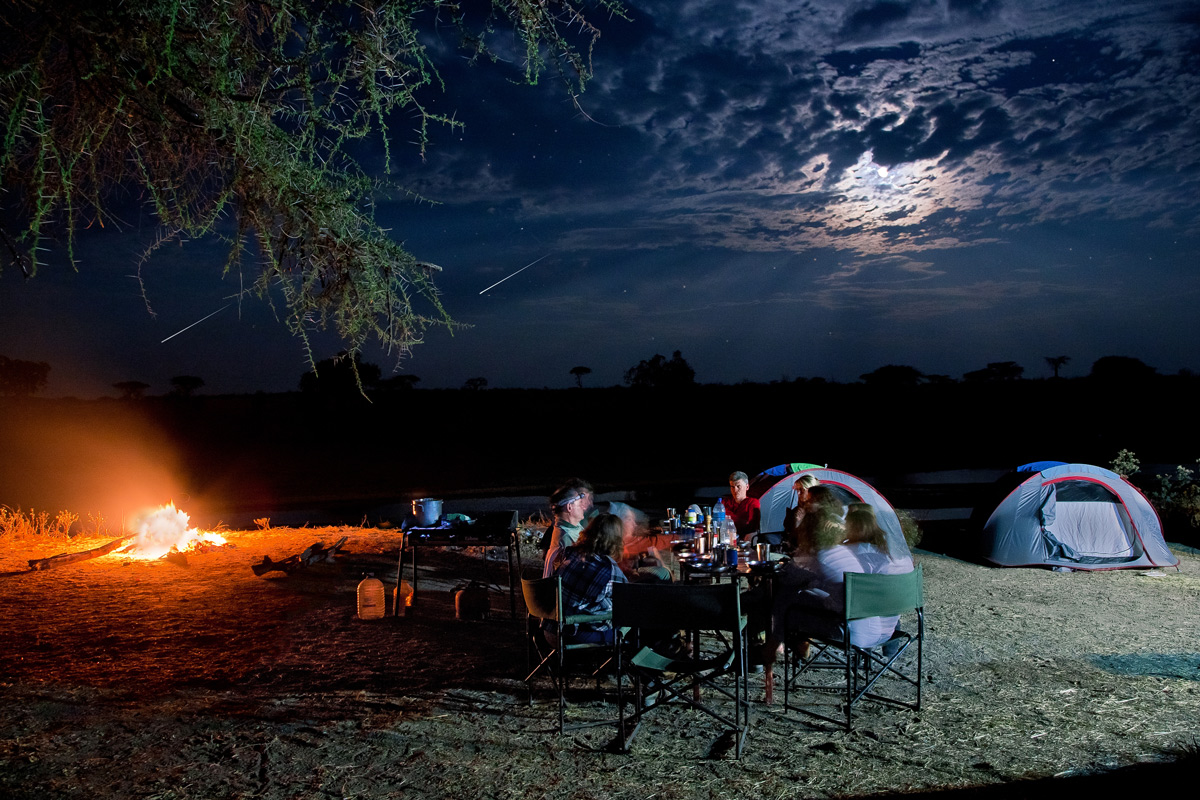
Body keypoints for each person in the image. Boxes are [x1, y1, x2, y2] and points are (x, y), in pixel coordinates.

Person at [546, 513, 628, 646]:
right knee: (630, 620)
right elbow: (628, 600)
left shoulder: (571, 553)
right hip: (572, 635)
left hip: (550, 629)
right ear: (616, 539)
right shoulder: (608, 567)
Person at [542, 484, 589, 578]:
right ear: (569, 507)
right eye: (580, 504)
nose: (584, 507)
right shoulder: (565, 540)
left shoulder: (571, 528)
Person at [782, 474, 820, 547]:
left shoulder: (820, 509)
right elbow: (789, 534)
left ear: (811, 490)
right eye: (797, 490)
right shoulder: (796, 510)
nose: (798, 493)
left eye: (802, 490)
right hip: (798, 551)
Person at [724, 471, 761, 542]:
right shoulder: (725, 502)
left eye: (738, 486)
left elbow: (753, 527)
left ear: (747, 487)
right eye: (732, 487)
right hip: (726, 537)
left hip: (743, 539)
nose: (735, 490)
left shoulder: (752, 502)